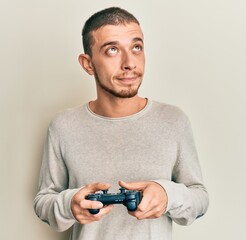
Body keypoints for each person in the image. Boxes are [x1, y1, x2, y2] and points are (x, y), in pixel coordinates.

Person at [34, 7, 209, 240]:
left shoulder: (174, 120)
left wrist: (167, 195)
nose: (129, 63)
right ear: (88, 64)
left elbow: (200, 198)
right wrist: (69, 204)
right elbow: (44, 201)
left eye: (136, 47)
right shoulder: (63, 125)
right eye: (112, 50)